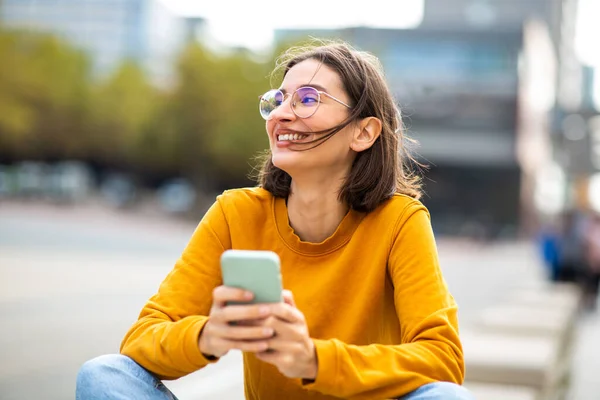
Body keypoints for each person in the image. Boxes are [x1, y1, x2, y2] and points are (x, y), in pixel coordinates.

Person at [76, 41, 472, 400]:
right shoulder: (236, 213)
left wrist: (314, 360)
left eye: (307, 99)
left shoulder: (400, 221)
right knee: (105, 375)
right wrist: (207, 336)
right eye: (278, 100)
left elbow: (442, 360)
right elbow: (141, 339)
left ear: (363, 132)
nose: (282, 114)